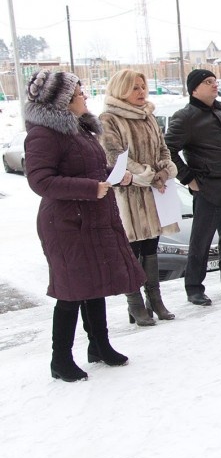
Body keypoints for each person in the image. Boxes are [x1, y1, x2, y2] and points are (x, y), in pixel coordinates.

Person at [24, 70, 145, 381]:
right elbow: (40, 180)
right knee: (71, 290)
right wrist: (90, 188)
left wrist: (115, 173)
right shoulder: (43, 134)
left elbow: (90, 167)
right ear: (62, 100)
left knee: (95, 283)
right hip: (65, 224)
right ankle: (60, 359)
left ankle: (100, 346)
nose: (85, 96)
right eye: (79, 93)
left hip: (92, 217)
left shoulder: (79, 130)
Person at [165, 69, 221, 306]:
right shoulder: (185, 116)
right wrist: (188, 178)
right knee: (202, 240)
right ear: (194, 88)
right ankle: (194, 287)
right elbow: (167, 151)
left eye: (215, 81)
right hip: (208, 188)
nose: (215, 85)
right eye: (208, 82)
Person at [99, 69, 180, 326]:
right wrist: (145, 174)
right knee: (131, 250)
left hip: (154, 193)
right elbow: (113, 156)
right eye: (135, 87)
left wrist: (164, 169)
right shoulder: (109, 119)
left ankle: (154, 299)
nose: (141, 92)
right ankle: (134, 304)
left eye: (143, 87)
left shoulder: (148, 115)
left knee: (151, 247)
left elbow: (163, 147)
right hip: (128, 193)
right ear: (121, 89)